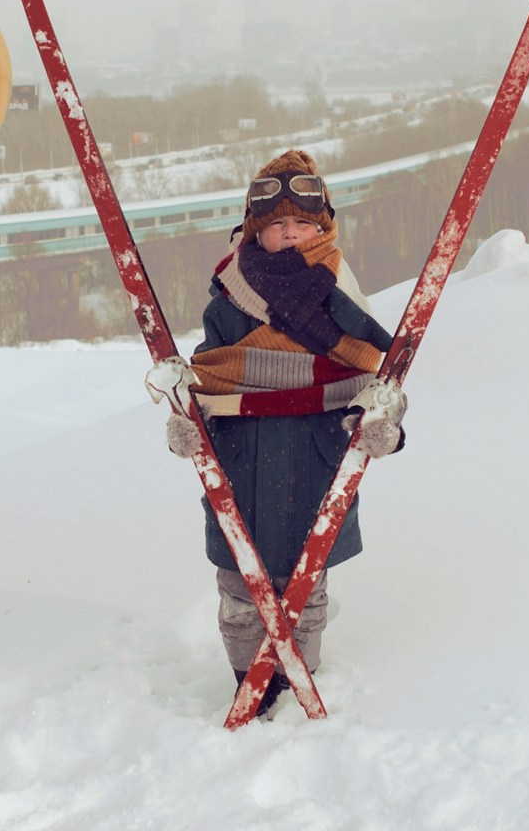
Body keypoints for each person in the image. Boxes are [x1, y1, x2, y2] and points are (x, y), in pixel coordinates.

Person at [162, 148, 406, 716]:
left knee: (306, 585)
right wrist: (188, 423)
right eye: (277, 225)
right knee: (239, 588)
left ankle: (299, 675)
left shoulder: (341, 297)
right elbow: (210, 375)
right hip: (240, 459)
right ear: (256, 230)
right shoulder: (230, 300)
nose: (290, 233)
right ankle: (249, 679)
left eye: (302, 222)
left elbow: (373, 381)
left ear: (323, 227)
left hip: (316, 461)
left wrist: (385, 429)